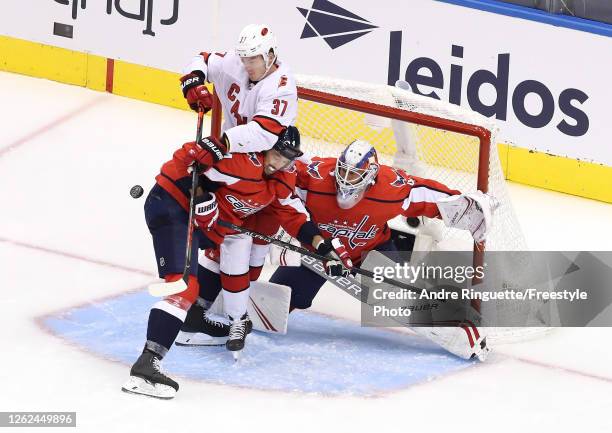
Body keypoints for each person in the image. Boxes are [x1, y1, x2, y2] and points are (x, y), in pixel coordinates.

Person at [180, 140, 495, 361]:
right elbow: (278, 183)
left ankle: (460, 330)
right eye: (343, 171)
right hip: (319, 253)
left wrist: (469, 205)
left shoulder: (390, 188)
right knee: (272, 306)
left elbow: (430, 195)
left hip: (372, 252)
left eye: (356, 175)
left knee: (399, 300)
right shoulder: (316, 177)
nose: (346, 180)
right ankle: (212, 306)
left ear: (371, 177)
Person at [121, 127, 351, 399]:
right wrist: (202, 198)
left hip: (205, 224)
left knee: (230, 249)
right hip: (174, 209)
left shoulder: (282, 178)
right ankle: (146, 366)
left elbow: (297, 219)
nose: (281, 163)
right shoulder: (240, 161)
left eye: (288, 158)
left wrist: (325, 250)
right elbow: (188, 166)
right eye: (277, 154)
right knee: (182, 287)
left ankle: (193, 320)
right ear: (265, 147)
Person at [178, 23, 297, 168]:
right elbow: (202, 60)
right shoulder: (235, 62)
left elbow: (263, 133)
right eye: (243, 58)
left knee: (198, 171)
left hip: (263, 162)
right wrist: (193, 82)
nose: (246, 65)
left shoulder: (282, 89)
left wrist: (222, 144)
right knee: (184, 163)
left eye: (252, 59)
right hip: (229, 151)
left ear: (270, 56)